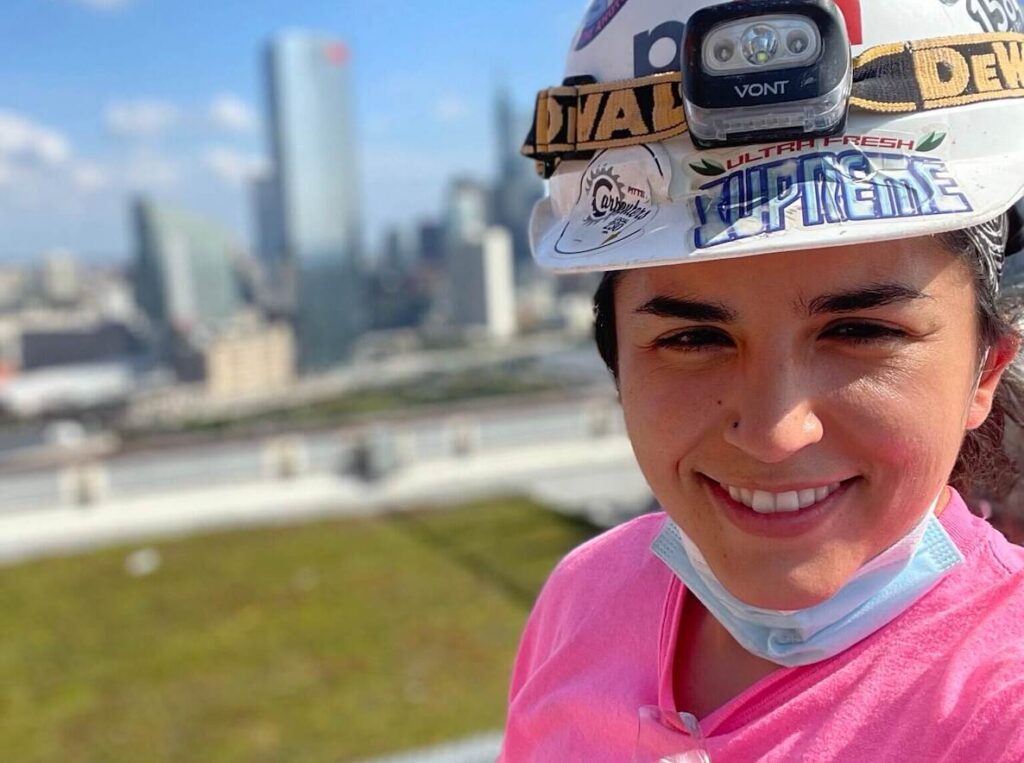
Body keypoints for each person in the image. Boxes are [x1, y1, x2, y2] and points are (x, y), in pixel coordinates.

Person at [499, 0, 1024, 760]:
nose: (776, 432)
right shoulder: (582, 596)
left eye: (860, 331)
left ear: (987, 367)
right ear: (617, 359)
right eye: (690, 337)